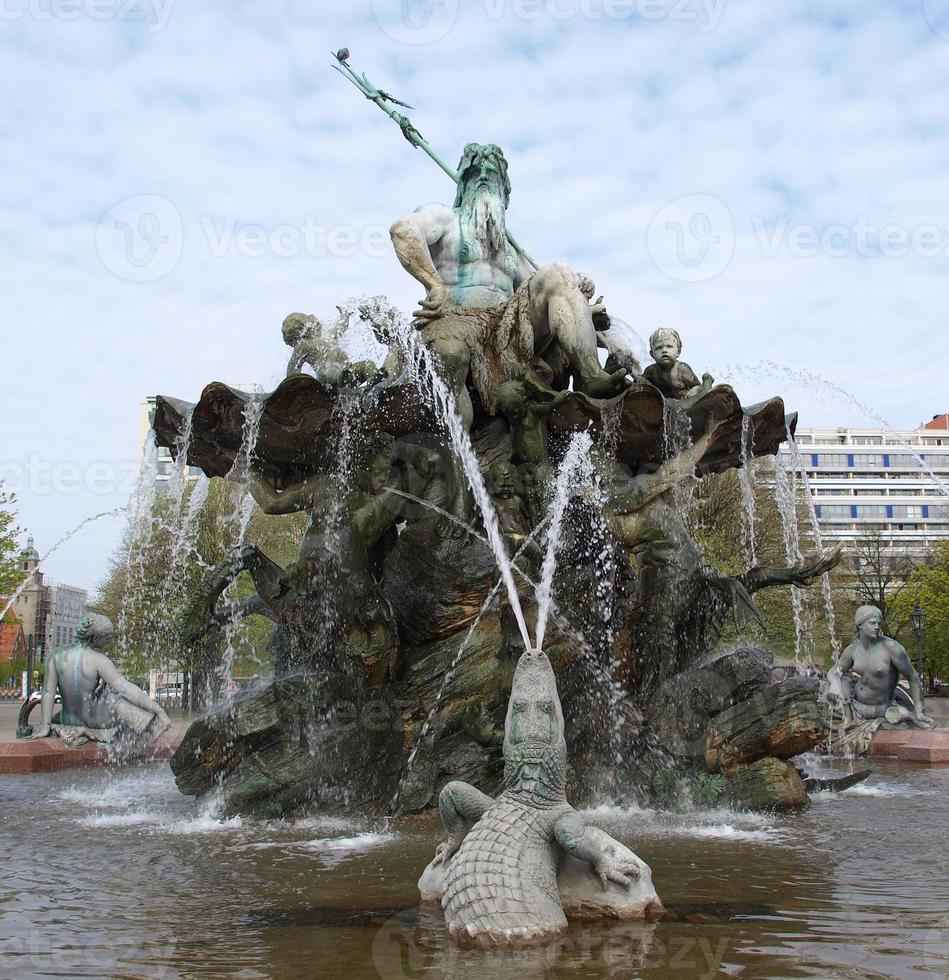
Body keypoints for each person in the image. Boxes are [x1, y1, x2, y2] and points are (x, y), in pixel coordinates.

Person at [389, 143, 632, 426]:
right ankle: (455, 451)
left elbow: (541, 291)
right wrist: (434, 285)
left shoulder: (509, 249)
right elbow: (403, 231)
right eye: (475, 173)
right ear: (462, 185)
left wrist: (574, 289)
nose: (483, 178)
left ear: (504, 193)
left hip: (505, 330)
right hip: (456, 319)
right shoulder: (445, 218)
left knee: (559, 272)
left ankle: (590, 375)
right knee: (449, 355)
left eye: (492, 176)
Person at [27, 615, 171, 742]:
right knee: (114, 699)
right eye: (106, 637)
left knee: (108, 695)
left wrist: (45, 726)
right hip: (93, 721)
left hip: (67, 719)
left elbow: (48, 692)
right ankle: (153, 727)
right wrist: (158, 710)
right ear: (96, 637)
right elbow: (126, 689)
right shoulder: (99, 660)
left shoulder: (55, 656)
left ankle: (149, 729)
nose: (108, 641)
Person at [835, 605, 934, 729]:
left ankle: (908, 716)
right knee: (839, 681)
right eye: (872, 623)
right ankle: (848, 718)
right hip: (855, 704)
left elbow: (913, 677)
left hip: (882, 707)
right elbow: (834, 672)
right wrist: (835, 685)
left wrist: (920, 712)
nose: (876, 627)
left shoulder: (891, 648)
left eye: (878, 623)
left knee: (902, 717)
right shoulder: (852, 650)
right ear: (860, 625)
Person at [642, 328, 712, 401]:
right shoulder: (651, 370)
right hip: (663, 404)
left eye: (669, 346)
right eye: (659, 348)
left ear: (678, 351)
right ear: (652, 354)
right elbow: (640, 383)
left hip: (683, 403)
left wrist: (694, 390)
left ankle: (708, 380)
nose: (664, 350)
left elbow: (697, 386)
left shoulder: (682, 369)